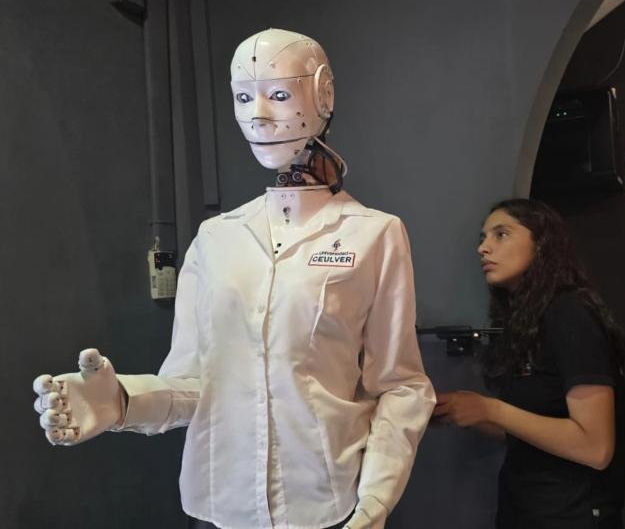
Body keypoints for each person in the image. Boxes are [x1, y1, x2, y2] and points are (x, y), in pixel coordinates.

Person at [32, 28, 435, 529]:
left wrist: (376, 500)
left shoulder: (375, 235)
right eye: (244, 97)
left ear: (323, 94)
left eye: (279, 95)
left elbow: (401, 386)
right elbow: (196, 383)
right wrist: (122, 402)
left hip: (326, 505)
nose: (258, 115)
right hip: (220, 505)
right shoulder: (216, 238)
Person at [433, 199, 625, 528]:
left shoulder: (571, 314)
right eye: (482, 238)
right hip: (524, 511)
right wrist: (462, 411)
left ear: (541, 243)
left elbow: (595, 447)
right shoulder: (524, 322)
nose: (483, 248)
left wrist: (491, 409)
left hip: (572, 516)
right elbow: (528, 428)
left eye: (501, 234)